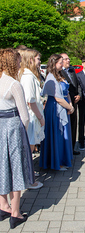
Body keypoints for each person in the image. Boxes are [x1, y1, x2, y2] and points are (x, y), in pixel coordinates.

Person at [0, 48, 34, 228]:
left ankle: (3, 205)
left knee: (2, 166)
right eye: (18, 61)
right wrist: (24, 131)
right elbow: (25, 116)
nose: (20, 64)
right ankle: (15, 212)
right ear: (13, 62)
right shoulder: (14, 84)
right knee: (16, 168)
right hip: (13, 127)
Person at [40, 54, 74, 171]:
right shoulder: (50, 77)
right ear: (54, 64)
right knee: (57, 135)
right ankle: (56, 162)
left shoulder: (59, 74)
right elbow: (57, 98)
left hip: (62, 106)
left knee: (63, 134)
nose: (62, 63)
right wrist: (70, 108)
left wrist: (70, 104)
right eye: (60, 62)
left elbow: (66, 92)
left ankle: (62, 159)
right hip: (55, 108)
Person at [18, 49, 44, 189]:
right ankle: (29, 180)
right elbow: (30, 101)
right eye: (38, 59)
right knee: (28, 150)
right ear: (30, 60)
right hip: (32, 117)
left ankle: (28, 177)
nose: (40, 62)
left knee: (30, 148)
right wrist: (40, 117)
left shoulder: (30, 75)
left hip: (33, 116)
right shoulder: (27, 77)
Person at [60, 53, 81, 155]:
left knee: (73, 125)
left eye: (69, 59)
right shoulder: (59, 72)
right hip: (65, 103)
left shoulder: (72, 70)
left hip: (75, 102)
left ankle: (72, 148)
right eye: (66, 59)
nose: (68, 61)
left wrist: (79, 95)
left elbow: (78, 84)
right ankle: (65, 149)